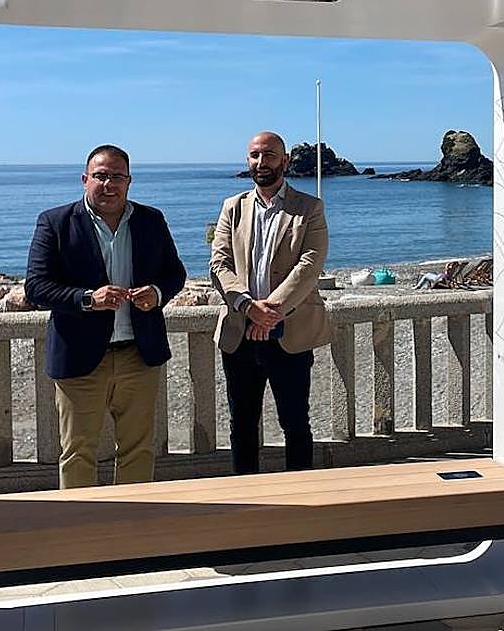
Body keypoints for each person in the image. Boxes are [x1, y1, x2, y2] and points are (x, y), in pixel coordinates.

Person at [25, 144, 186, 488]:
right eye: (100, 176)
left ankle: (131, 530)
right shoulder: (55, 222)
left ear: (129, 182)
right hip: (81, 361)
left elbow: (175, 274)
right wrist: (87, 298)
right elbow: (36, 287)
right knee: (78, 450)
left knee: (139, 449)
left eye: (117, 176)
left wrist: (157, 294)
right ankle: (80, 531)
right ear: (85, 180)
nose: (108, 184)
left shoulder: (151, 220)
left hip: (138, 355)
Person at [210, 131, 331, 474]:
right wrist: (250, 308)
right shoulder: (232, 208)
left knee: (295, 423)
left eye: (269, 155)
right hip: (239, 334)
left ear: (285, 160)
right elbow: (219, 265)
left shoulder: (309, 208)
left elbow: (309, 265)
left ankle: (301, 501)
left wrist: (271, 313)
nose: (261, 162)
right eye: (254, 155)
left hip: (290, 335)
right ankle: (247, 500)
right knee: (242, 424)